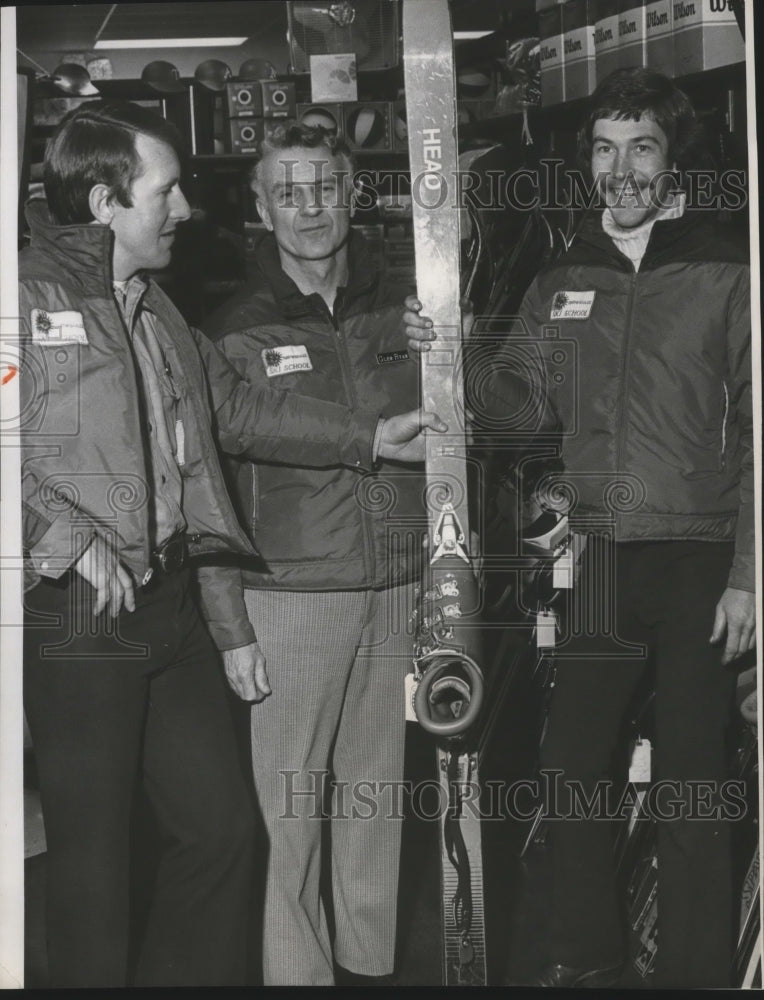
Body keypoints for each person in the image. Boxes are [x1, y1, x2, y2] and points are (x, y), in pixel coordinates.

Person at [19, 101, 444, 988]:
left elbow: (247, 411)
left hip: (170, 601)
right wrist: (56, 532)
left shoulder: (159, 308)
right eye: (166, 192)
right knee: (94, 855)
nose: (184, 210)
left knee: (222, 833)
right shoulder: (27, 297)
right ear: (105, 202)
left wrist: (371, 439)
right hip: (84, 615)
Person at [407, 68, 755, 988]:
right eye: (604, 148)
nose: (622, 168)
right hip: (599, 553)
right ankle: (588, 958)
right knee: (568, 766)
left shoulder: (728, 267)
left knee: (688, 782)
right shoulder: (566, 272)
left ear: (674, 156)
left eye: (641, 146)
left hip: (701, 555)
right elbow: (522, 414)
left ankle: (695, 974)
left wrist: (750, 574)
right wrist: (453, 356)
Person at [202, 122, 425, 986]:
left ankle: (368, 971)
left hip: (397, 586)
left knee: (374, 798)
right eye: (287, 193)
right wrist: (229, 624)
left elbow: (457, 431)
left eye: (325, 189)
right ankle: (297, 977)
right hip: (289, 596)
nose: (310, 210)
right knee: (288, 808)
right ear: (260, 208)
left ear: (351, 194)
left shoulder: (402, 310)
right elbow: (207, 486)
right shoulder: (234, 329)